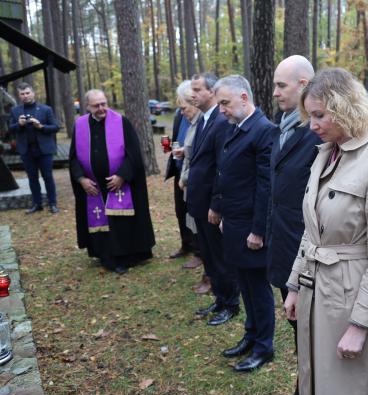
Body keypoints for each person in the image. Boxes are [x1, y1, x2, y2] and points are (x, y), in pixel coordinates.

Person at [284, 68, 368, 395]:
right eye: (310, 115)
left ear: (345, 107)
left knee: (353, 387)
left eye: (320, 115)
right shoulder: (324, 154)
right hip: (316, 290)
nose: (313, 125)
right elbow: (312, 230)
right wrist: (294, 285)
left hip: (352, 296)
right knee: (319, 383)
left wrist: (360, 325)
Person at [213, 75, 277, 372]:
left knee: (258, 287)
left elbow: (266, 186)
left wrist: (258, 230)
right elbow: (227, 174)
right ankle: (251, 335)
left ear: (243, 97)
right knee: (245, 285)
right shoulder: (235, 128)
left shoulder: (263, 130)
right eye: (219, 104)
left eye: (224, 103)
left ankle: (264, 346)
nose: (221, 109)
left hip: (252, 227)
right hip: (234, 223)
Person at [268, 55, 320, 395]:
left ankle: (310, 391)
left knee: (312, 332)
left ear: (304, 86)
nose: (274, 92)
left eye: (281, 85)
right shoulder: (284, 123)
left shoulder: (317, 132)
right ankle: (305, 387)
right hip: (282, 246)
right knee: (296, 329)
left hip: (306, 253)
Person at [69, 89, 155, 274]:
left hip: (118, 184)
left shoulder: (121, 122)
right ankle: (104, 254)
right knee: (102, 221)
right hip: (94, 187)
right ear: (87, 106)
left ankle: (125, 256)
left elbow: (134, 154)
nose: (101, 108)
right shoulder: (80, 125)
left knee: (120, 222)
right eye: (96, 105)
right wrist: (81, 179)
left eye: (104, 103)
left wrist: (121, 176)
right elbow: (74, 158)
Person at [186, 72, 240, 326]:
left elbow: (222, 166)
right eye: (192, 90)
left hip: (211, 205)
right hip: (199, 203)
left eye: (197, 89)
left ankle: (230, 302)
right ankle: (220, 297)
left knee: (219, 257)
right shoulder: (204, 119)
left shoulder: (220, 121)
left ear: (212, 92)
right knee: (208, 255)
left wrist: (216, 205)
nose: (192, 94)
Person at [164, 81, 203, 270]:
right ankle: (185, 244)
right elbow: (176, 139)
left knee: (192, 213)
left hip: (192, 174)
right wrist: (172, 149)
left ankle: (198, 251)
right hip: (179, 169)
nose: (181, 111)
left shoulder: (202, 120)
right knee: (180, 211)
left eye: (184, 106)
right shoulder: (180, 117)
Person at [9, 82, 60, 214]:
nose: (25, 96)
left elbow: (55, 127)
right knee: (32, 178)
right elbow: (10, 129)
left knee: (48, 177)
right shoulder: (15, 111)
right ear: (19, 96)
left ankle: (52, 203)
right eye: (22, 94)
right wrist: (19, 124)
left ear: (33, 93)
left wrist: (41, 126)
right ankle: (37, 204)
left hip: (44, 150)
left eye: (27, 93)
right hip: (26, 151)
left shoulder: (46, 109)